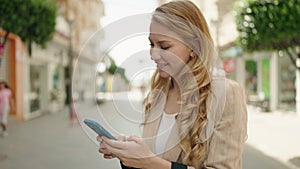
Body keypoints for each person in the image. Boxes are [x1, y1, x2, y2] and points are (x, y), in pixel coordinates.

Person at [97, 1, 248, 169]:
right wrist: (129, 155)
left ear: (194, 46)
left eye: (164, 46)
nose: (153, 54)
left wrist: (152, 163)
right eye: (151, 44)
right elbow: (151, 161)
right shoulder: (157, 94)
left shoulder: (226, 94)